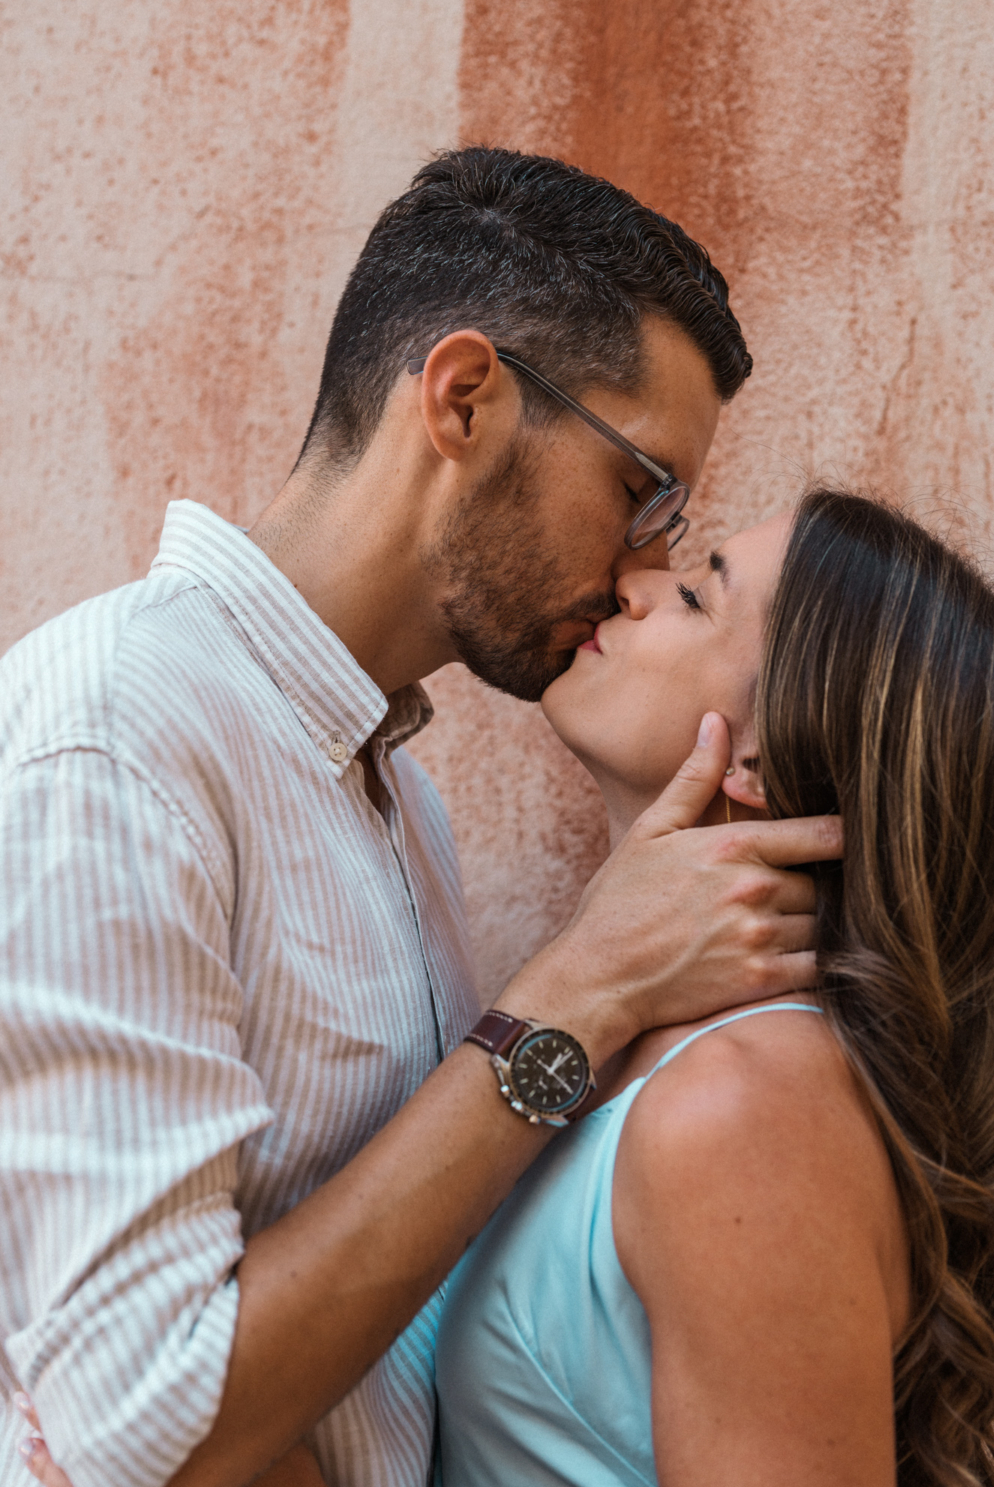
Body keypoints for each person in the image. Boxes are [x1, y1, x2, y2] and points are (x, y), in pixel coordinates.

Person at [0, 147, 839, 1487]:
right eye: (642, 491)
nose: (644, 570)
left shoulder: (392, 800)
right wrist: (581, 988)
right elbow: (140, 1432)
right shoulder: (118, 740)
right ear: (462, 399)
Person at [433, 489, 994, 1486]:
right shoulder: (646, 1048)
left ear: (758, 752)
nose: (629, 586)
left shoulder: (745, 1108)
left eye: (696, 598)